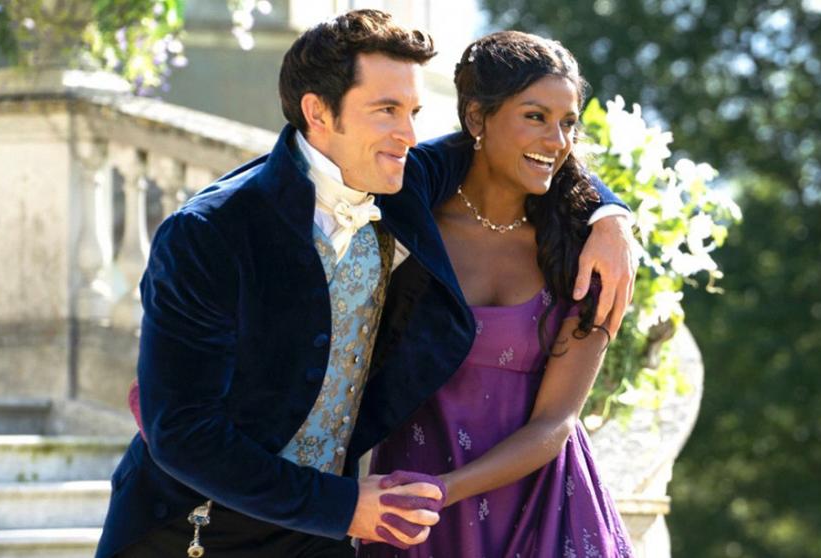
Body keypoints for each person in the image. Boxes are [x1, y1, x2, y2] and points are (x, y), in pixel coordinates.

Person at [102, 10, 637, 558]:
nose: (409, 135)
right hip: (192, 529)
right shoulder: (209, 232)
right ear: (318, 112)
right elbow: (182, 433)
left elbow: (516, 149)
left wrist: (611, 217)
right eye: (386, 110)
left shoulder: (401, 184)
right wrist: (343, 507)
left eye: (412, 112)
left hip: (319, 538)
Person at [360, 31, 636, 557]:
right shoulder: (409, 223)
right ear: (476, 117)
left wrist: (445, 490)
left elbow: (556, 422)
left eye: (568, 123)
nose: (557, 140)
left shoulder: (586, 256)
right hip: (411, 509)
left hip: (542, 512)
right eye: (535, 116)